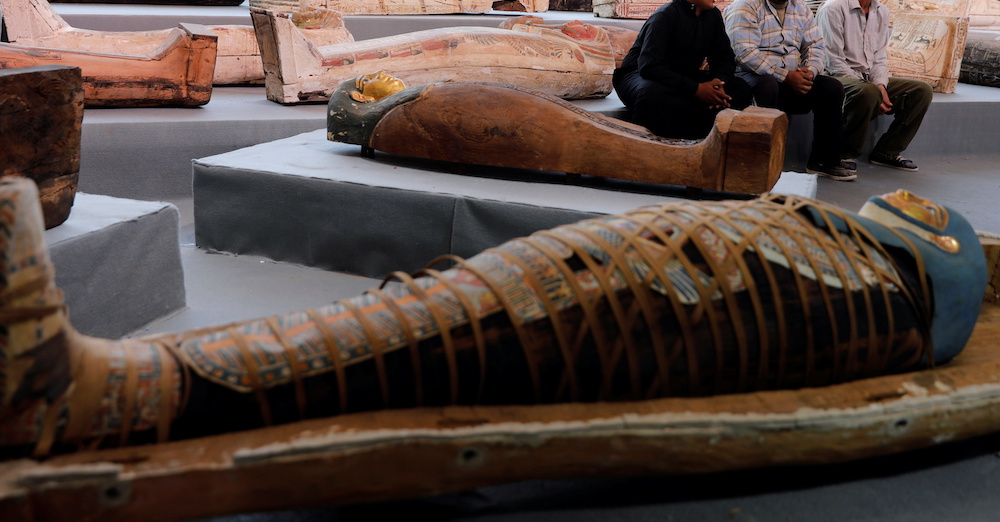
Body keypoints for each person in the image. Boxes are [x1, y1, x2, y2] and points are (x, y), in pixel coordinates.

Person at [0, 175, 987, 457]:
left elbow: (935, 280)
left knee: (440, 333)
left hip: (820, 288)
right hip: (763, 256)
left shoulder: (909, 290)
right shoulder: (873, 246)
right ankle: (117, 387)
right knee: (438, 316)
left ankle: (116, 392)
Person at [723, 0, 853, 182]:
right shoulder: (745, 6)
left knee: (831, 88)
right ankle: (759, 161)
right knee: (767, 85)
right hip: (752, 78)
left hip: (790, 78)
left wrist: (809, 72)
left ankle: (823, 161)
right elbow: (745, 54)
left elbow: (815, 45)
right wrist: (785, 76)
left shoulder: (799, 7)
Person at [816, 0, 933, 172]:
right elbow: (832, 61)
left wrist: (881, 84)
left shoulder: (882, 12)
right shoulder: (833, 9)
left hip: (866, 80)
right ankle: (841, 153)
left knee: (921, 91)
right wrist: (873, 89)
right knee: (867, 92)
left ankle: (887, 151)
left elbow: (879, 57)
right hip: (836, 80)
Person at [613, 0, 751, 140]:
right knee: (653, 95)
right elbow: (650, 66)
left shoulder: (713, 16)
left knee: (739, 88)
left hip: (680, 76)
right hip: (640, 75)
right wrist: (696, 89)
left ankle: (705, 147)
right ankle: (652, 153)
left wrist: (718, 83)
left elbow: (724, 58)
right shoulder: (665, 16)